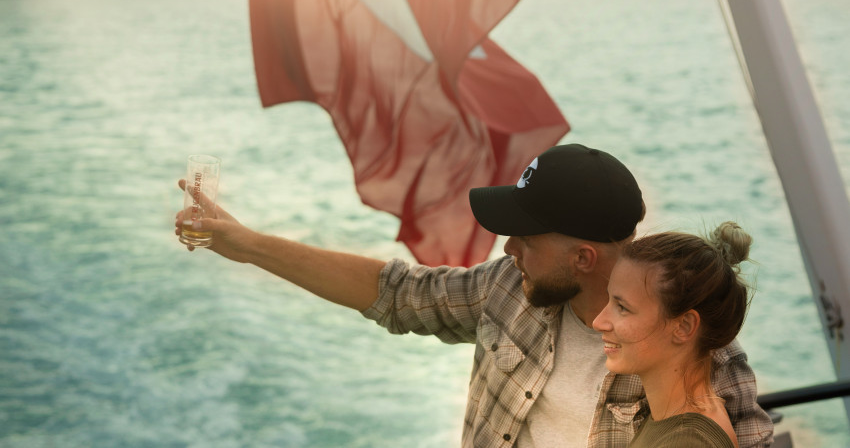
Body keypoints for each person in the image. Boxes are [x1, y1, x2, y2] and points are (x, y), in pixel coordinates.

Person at [173, 143, 773, 447]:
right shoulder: (512, 288)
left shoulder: (704, 368)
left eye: (525, 238)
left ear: (583, 258)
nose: (507, 249)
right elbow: (396, 293)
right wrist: (246, 244)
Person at [592, 223, 755, 448]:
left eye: (623, 308)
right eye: (609, 300)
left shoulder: (688, 442)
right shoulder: (672, 421)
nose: (598, 322)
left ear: (684, 326)